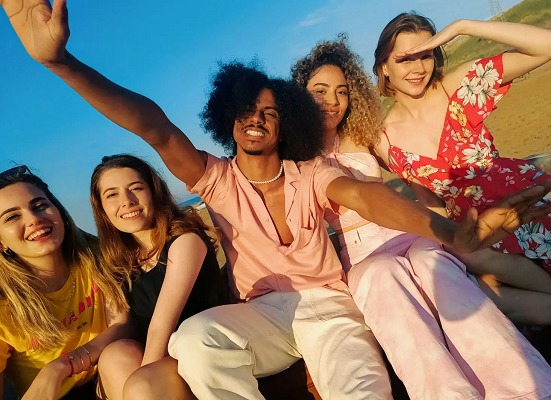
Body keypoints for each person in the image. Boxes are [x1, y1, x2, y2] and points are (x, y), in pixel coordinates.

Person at [4, 1, 551, 399]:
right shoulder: (215, 179)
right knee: (195, 340)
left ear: (287, 119)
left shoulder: (311, 172)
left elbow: (367, 197)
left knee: (360, 386)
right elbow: (153, 127)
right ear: (228, 118)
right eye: (247, 109)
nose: (258, 118)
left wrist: (451, 232)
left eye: (270, 111)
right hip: (263, 314)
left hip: (332, 308)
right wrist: (61, 63)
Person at [292, 35, 551, 399]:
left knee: (435, 263)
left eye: (342, 91)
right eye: (319, 91)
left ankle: (523, 388)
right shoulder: (293, 156)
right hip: (362, 252)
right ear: (298, 96)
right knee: (380, 277)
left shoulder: (365, 136)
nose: (332, 101)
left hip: (407, 232)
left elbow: (420, 168)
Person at [372, 13, 551, 279]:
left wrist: (463, 26)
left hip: (529, 203)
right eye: (405, 59)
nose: (418, 68)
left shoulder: (459, 87)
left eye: (425, 55)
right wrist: (455, 247)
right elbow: (430, 203)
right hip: (481, 239)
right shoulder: (384, 141)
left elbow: (546, 46)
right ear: (384, 67)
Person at [88, 155, 219, 400]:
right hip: (161, 360)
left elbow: (161, 327)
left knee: (142, 386)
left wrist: (142, 377)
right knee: (115, 355)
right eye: (112, 194)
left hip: (201, 352)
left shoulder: (185, 241)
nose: (126, 201)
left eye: (136, 188)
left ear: (154, 192)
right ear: (102, 210)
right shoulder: (117, 263)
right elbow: (121, 325)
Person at [0, 166, 130, 400]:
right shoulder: (4, 307)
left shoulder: (95, 258)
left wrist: (60, 366)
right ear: (1, 243)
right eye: (12, 217)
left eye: (39, 205)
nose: (34, 219)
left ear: (58, 211)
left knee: (123, 356)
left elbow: (122, 324)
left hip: (110, 377)